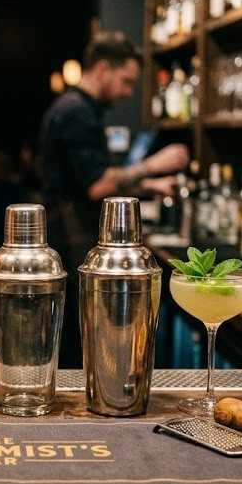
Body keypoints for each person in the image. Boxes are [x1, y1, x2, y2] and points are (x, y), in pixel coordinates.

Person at [38, 31, 190, 367]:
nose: (128, 93)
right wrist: (153, 165)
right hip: (70, 242)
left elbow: (89, 182)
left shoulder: (76, 107)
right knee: (79, 340)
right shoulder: (77, 112)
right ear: (103, 68)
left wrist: (148, 185)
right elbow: (96, 186)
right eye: (127, 81)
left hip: (70, 236)